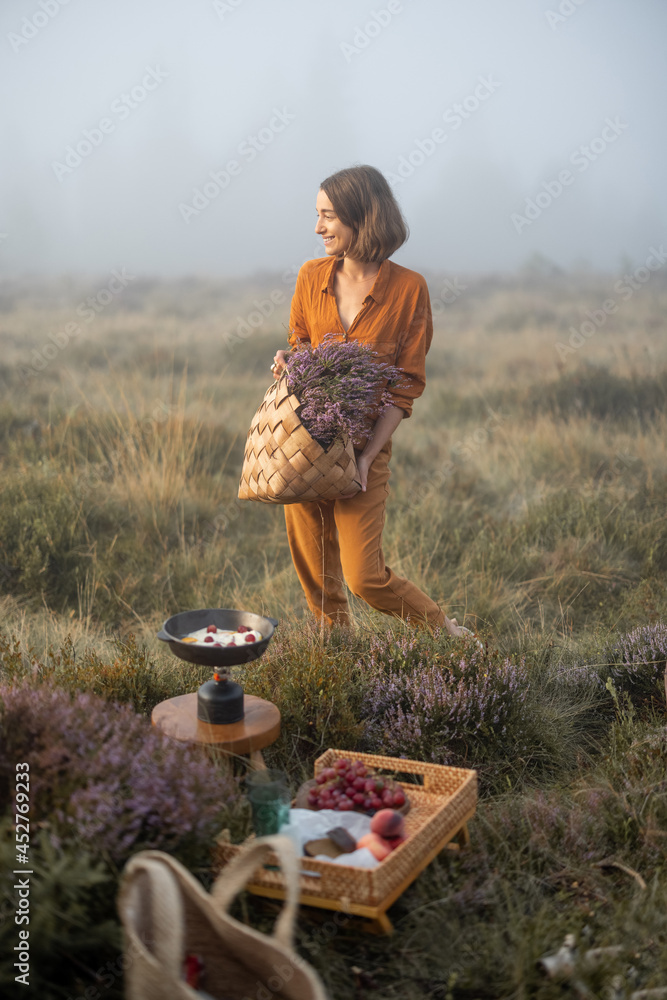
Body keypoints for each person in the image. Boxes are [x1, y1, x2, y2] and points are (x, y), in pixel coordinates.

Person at [272, 164, 477, 641]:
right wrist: (290, 359)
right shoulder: (310, 276)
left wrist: (366, 457)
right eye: (317, 215)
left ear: (362, 217)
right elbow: (301, 345)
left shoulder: (409, 289)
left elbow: (405, 386)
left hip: (363, 450)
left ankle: (445, 633)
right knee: (317, 574)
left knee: (364, 576)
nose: (317, 227)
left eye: (328, 216)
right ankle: (335, 655)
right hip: (305, 444)